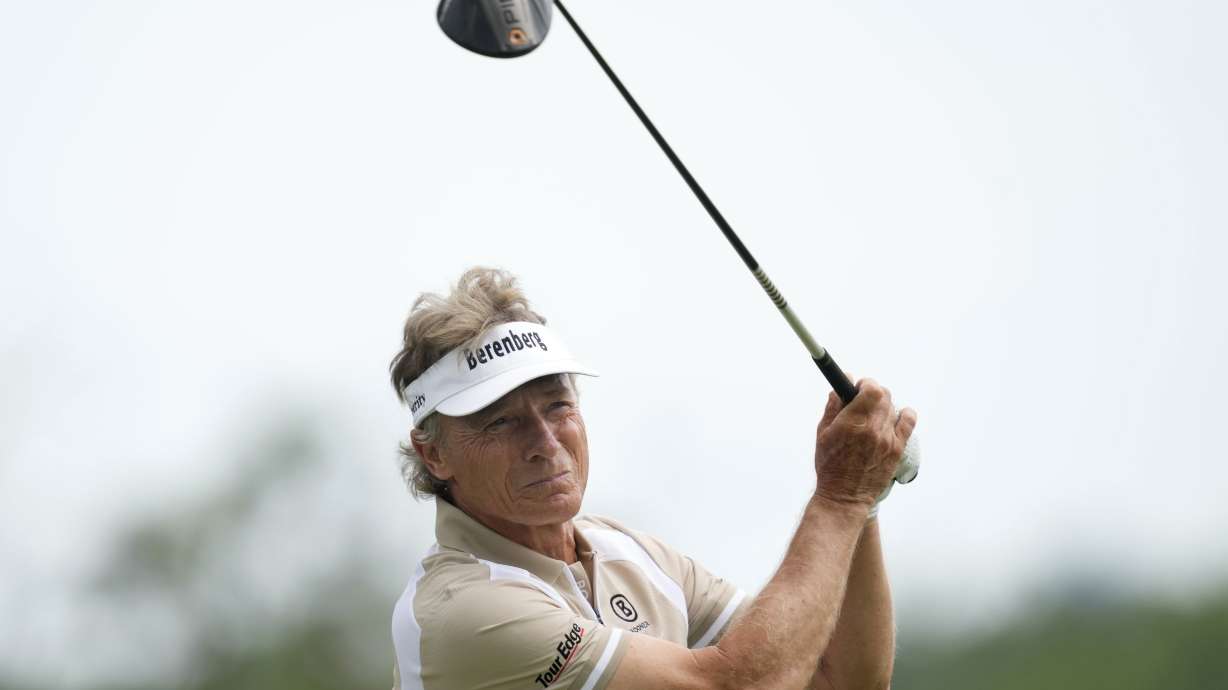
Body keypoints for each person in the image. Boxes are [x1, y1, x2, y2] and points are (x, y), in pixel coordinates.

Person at [388, 267, 917, 690]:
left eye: (557, 406)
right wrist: (841, 497)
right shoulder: (463, 610)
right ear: (434, 454)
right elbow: (741, 684)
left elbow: (841, 678)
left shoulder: (631, 554)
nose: (545, 443)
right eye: (501, 421)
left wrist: (862, 501)